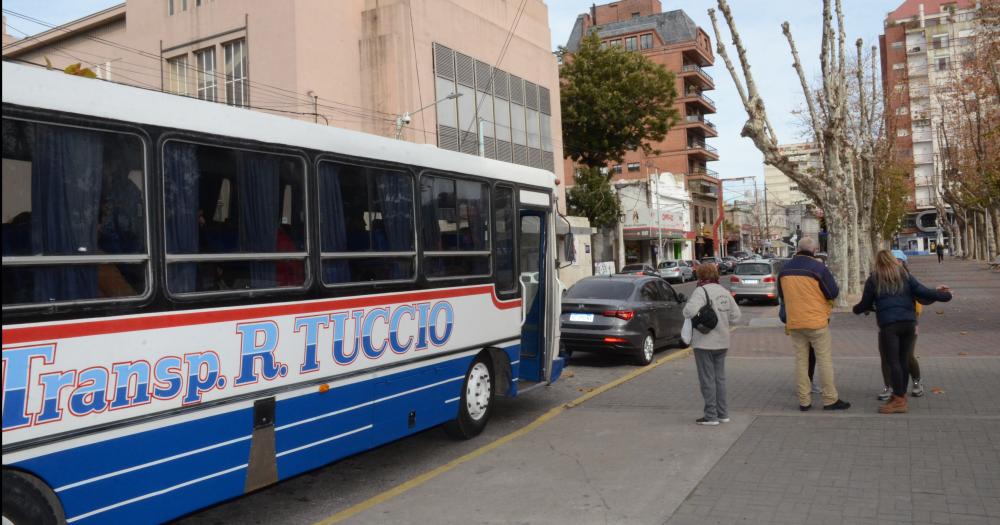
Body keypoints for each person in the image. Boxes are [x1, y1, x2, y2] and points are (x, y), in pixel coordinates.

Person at [853, 250, 952, 414]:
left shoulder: (874, 279)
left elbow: (865, 304)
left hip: (889, 325)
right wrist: (945, 295)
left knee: (893, 362)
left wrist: (856, 309)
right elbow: (923, 292)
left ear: (877, 262)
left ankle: (899, 399)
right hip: (909, 323)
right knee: (903, 360)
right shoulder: (904, 275)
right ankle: (900, 395)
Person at [777, 237, 851, 412]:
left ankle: (804, 401)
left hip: (795, 322)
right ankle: (830, 399)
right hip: (817, 322)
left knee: (801, 361)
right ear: (815, 250)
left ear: (797, 249)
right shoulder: (819, 268)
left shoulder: (784, 270)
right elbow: (832, 292)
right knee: (824, 360)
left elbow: (782, 295)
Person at [683, 263, 741, 426]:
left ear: (700, 276)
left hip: (704, 343)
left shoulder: (701, 291)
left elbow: (688, 311)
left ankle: (711, 416)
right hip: (723, 342)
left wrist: (702, 316)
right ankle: (723, 414)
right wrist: (722, 319)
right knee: (719, 379)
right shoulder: (724, 291)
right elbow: (736, 316)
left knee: (707, 380)